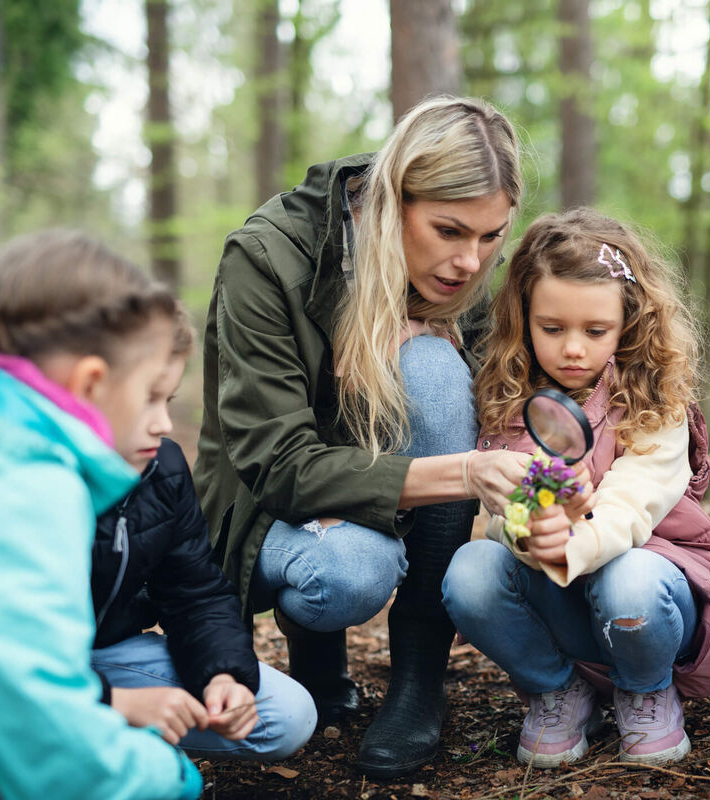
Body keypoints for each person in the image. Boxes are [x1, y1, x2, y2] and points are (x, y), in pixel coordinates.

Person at [194, 95, 534, 778]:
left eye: (490, 236)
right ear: (390, 199)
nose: (470, 262)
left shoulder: (463, 265)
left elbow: (504, 393)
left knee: (438, 371)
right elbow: (279, 465)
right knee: (349, 573)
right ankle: (316, 655)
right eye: (448, 230)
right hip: (263, 505)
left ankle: (418, 677)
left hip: (373, 478)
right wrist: (464, 473)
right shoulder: (267, 256)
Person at [442, 208, 710, 769]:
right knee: (471, 571)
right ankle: (558, 691)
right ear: (523, 319)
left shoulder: (657, 402)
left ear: (630, 322)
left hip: (648, 601)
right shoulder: (512, 400)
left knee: (629, 574)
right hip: (563, 604)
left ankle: (645, 690)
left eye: (595, 331)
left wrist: (574, 534)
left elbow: (630, 506)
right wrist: (535, 527)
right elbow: (506, 512)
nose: (573, 349)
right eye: (552, 328)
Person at [0, 230, 201, 800]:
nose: (162, 421)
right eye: (147, 392)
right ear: (91, 382)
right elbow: (53, 745)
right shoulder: (26, 484)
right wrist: (173, 780)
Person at [90, 306, 317, 760]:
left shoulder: (161, 468)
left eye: (167, 400)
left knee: (285, 715)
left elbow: (195, 592)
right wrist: (116, 704)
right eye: (146, 400)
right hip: (8, 677)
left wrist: (221, 675)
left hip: (105, 653)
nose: (163, 424)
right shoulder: (17, 481)